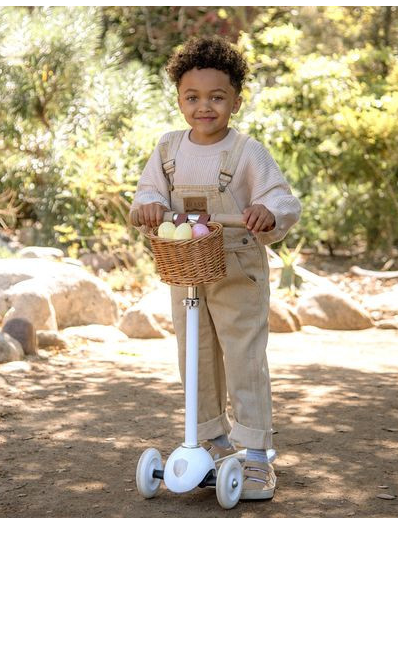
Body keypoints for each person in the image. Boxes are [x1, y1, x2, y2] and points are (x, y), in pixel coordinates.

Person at [129, 36, 301, 500]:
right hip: (186, 264)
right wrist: (150, 205)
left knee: (243, 354)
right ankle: (212, 438)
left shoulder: (247, 152)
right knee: (195, 352)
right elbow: (147, 193)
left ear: (236, 101)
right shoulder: (168, 149)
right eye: (193, 97)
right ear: (179, 100)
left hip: (237, 264)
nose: (204, 106)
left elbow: (282, 200)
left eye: (217, 97)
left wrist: (267, 212)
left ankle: (257, 453)